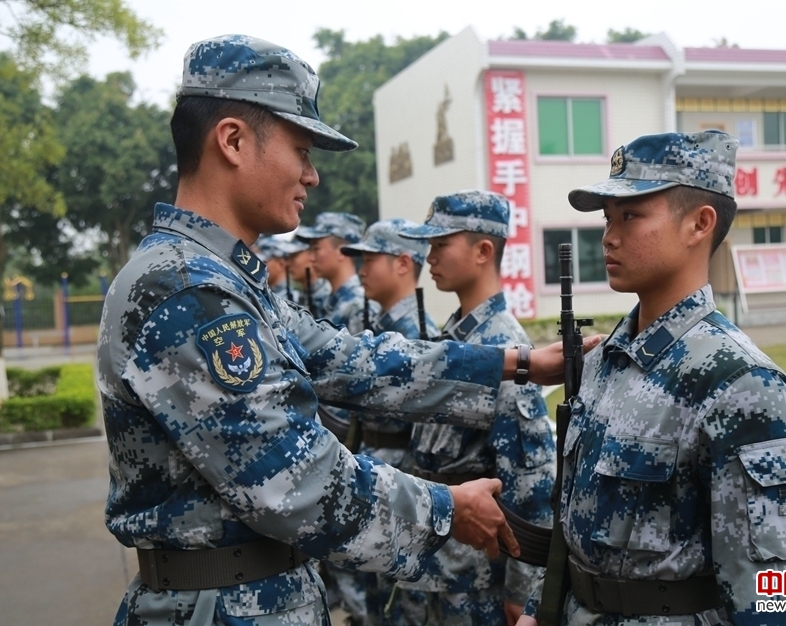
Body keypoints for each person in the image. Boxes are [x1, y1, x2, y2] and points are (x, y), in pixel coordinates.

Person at [94, 34, 584, 626]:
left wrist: (516, 363)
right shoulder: (188, 291)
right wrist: (445, 509)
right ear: (232, 140)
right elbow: (294, 480)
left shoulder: (222, 282)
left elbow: (350, 359)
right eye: (301, 149)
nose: (313, 175)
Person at [517, 131, 786, 626]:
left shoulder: (743, 385)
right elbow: (574, 527)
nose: (609, 236)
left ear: (699, 224)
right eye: (607, 217)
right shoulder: (605, 361)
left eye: (631, 215)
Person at [400, 191, 556, 626]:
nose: (428, 257)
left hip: (476, 576)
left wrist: (524, 591)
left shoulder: (505, 346)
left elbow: (530, 480)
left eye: (440, 244)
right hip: (438, 559)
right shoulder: (456, 335)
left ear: (483, 250)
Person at [341, 218, 440, 624]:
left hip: (402, 488)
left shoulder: (418, 333)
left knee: (403, 607)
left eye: (371, 258)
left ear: (403, 263)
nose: (362, 269)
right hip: (376, 480)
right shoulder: (380, 329)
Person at [297, 211, 378, 333]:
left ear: (341, 252)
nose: (311, 258)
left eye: (316, 249)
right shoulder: (328, 302)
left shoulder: (358, 307)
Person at [285, 235, 331, 314]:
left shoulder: (325, 295)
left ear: (310, 255)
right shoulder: (304, 295)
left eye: (294, 256)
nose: (288, 264)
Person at [254, 235, 305, 302]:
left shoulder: (291, 300)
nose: (258, 265)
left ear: (280, 265)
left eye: (264, 261)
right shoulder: (264, 291)